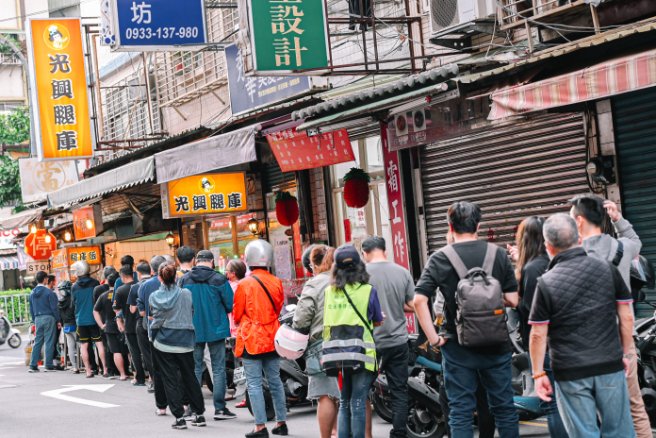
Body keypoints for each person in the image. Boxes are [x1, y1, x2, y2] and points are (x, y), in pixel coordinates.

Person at [414, 201, 519, 438]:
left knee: (460, 410)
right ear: (478, 225)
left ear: (450, 226)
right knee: (504, 408)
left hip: (457, 346)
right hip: (496, 343)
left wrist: (433, 338)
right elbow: (513, 299)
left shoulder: (440, 258)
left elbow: (420, 300)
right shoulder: (498, 255)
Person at [529, 213, 635, 437]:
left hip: (570, 372)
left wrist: (538, 374)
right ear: (579, 239)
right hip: (609, 364)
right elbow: (626, 317)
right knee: (620, 432)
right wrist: (624, 354)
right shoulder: (607, 269)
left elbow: (538, 333)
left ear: (548, 246)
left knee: (583, 433)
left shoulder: (545, 283)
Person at [569, 194, 650, 438]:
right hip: (624, 340)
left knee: (601, 412)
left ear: (580, 220)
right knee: (635, 406)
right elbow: (636, 241)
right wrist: (619, 219)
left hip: (589, 346)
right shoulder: (621, 249)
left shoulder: (571, 254)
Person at [507, 217, 567, 437]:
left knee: (552, 404)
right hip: (559, 342)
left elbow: (532, 311)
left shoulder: (533, 268)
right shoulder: (550, 262)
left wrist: (514, 299)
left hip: (544, 345)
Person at [322, 244, 383, 438]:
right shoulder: (368, 291)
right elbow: (377, 320)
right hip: (362, 354)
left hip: (336, 355)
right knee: (358, 401)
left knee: (345, 401)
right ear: (359, 265)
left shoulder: (329, 292)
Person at [361, 237, 414, 438]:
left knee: (361, 390)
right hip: (398, 341)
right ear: (385, 251)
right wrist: (394, 304)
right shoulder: (402, 272)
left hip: (370, 342)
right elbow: (412, 305)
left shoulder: (361, 275)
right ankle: (399, 434)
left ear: (364, 253)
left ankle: (366, 435)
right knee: (399, 391)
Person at [234, 240, 288, 438]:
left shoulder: (244, 284)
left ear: (248, 260)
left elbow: (237, 313)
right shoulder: (276, 281)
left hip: (252, 339)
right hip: (273, 336)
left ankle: (260, 426)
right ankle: (281, 422)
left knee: (255, 384)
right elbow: (279, 305)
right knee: (275, 381)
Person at [180, 249, 236, 421]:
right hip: (216, 328)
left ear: (196, 261)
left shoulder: (184, 279)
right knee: (218, 368)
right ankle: (220, 408)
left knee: (194, 368)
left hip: (192, 329)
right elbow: (229, 304)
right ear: (211, 261)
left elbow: (180, 305)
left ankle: (194, 409)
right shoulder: (219, 279)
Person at [150, 262, 206, 430]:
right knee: (190, 376)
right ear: (176, 276)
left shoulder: (154, 297)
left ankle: (179, 418)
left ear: (160, 278)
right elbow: (192, 312)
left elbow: (156, 319)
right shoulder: (186, 293)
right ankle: (199, 414)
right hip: (186, 340)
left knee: (170, 379)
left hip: (164, 341)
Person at [292, 245, 339, 438]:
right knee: (347, 394)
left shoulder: (315, 284)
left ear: (314, 264)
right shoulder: (348, 279)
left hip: (323, 345)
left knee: (326, 395)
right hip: (353, 342)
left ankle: (330, 435)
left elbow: (301, 319)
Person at [137, 255, 168, 414]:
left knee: (158, 369)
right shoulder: (176, 284)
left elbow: (142, 312)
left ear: (151, 269)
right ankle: (183, 405)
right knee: (176, 368)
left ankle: (162, 407)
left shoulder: (144, 286)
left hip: (154, 332)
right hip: (175, 332)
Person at [71, 261, 107, 378]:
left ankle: (88, 370)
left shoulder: (74, 287)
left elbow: (73, 304)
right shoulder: (95, 283)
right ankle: (105, 369)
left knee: (84, 346)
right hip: (95, 319)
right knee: (99, 344)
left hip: (81, 320)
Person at [94, 273, 128, 380]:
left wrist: (101, 324)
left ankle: (115, 372)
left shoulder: (103, 295)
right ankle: (127, 371)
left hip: (109, 326)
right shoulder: (122, 293)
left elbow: (95, 310)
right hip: (123, 325)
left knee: (114, 350)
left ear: (107, 282)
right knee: (126, 350)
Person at [114, 264, 144, 385]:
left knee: (135, 352)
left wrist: (119, 321)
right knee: (146, 351)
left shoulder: (120, 290)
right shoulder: (140, 286)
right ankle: (152, 378)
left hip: (130, 326)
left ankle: (139, 377)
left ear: (122, 276)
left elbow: (116, 309)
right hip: (143, 323)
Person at [225, 258, 248, 407]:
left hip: (236, 329)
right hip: (246, 328)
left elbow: (232, 310)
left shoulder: (232, 288)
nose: (225, 273)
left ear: (233, 273)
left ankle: (246, 395)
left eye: (227, 270)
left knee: (241, 363)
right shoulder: (247, 285)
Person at [129, 261, 154, 390]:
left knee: (146, 353)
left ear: (138, 273)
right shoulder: (156, 282)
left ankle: (152, 379)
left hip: (142, 322)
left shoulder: (135, 287)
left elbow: (133, 309)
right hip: (157, 320)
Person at [28, 271, 60, 372]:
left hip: (37, 318)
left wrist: (34, 320)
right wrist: (58, 320)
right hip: (49, 317)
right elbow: (54, 308)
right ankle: (48, 365)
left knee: (37, 342)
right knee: (49, 341)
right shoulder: (49, 292)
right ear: (45, 279)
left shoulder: (32, 293)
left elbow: (31, 309)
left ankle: (33, 365)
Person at [94, 266, 119, 377]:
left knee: (107, 346)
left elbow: (95, 309)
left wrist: (100, 324)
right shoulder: (120, 290)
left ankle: (109, 369)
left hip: (105, 322)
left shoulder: (98, 290)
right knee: (121, 347)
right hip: (118, 321)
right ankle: (121, 370)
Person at [57, 280, 79, 373]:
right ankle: (85, 365)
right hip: (74, 324)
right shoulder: (72, 299)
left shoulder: (60, 302)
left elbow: (60, 316)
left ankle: (75, 367)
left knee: (70, 347)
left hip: (66, 327)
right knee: (80, 345)